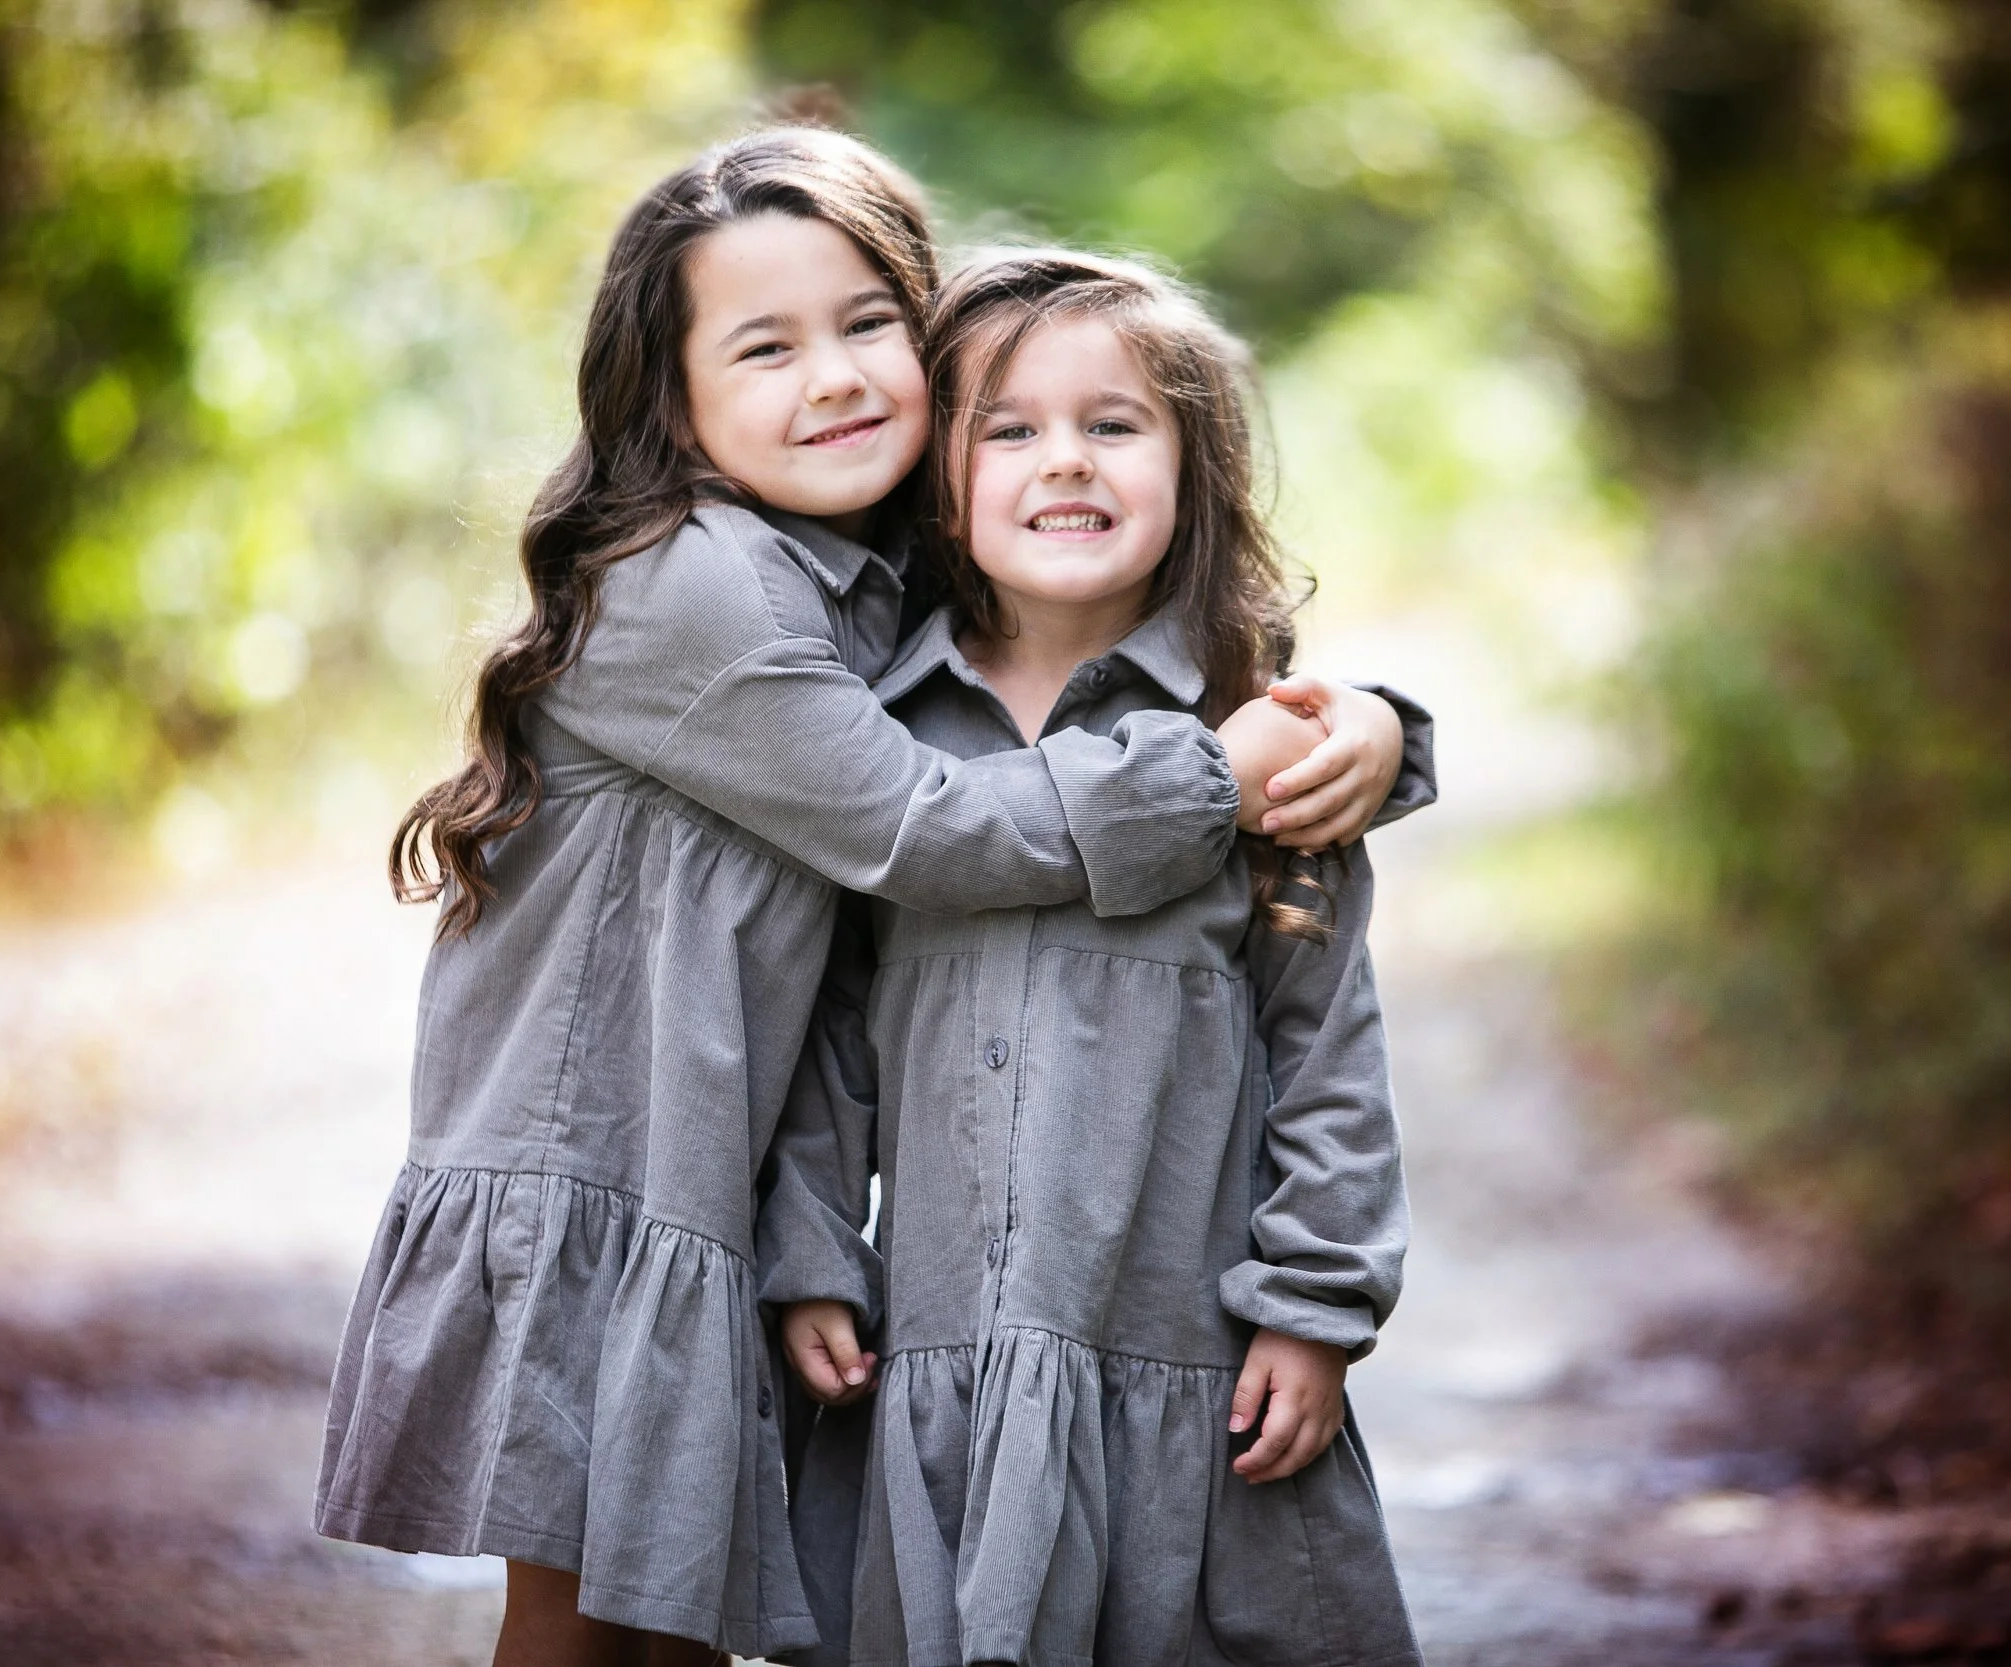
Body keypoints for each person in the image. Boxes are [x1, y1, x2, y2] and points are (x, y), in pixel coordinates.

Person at [311, 130, 1424, 1667]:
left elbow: (1093, 623)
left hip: (713, 1163)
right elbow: (928, 830)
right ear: (671, 400)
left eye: (865, 326)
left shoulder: (873, 576)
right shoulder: (693, 581)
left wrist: (1365, 717)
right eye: (763, 346)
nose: (831, 377)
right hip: (608, 1164)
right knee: (585, 1622)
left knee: (674, 1613)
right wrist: (1216, 783)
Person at [765, 248, 1428, 1667]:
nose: (1063, 461)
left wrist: (1315, 1309)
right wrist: (813, 1248)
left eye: (1113, 423)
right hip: (941, 1350)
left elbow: (1327, 1053)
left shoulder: (1268, 746)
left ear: (1194, 464)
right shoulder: (879, 741)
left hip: (1189, 1366)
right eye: (1007, 428)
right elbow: (825, 1028)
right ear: (937, 477)